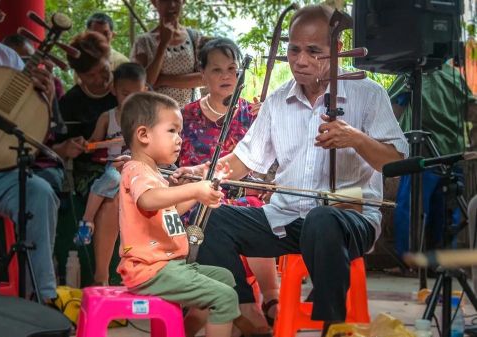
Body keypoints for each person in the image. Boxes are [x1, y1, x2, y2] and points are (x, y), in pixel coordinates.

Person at [172, 5, 409, 335]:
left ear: (338, 51)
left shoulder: (368, 94)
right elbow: (242, 160)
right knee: (214, 217)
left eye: (314, 51)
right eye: (294, 49)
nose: (300, 60)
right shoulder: (278, 100)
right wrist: (198, 172)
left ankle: (332, 323)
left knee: (322, 218)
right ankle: (246, 309)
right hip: (286, 219)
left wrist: (354, 138)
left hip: (348, 219)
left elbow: (394, 161)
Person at [0, 0, 84, 300]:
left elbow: (33, 127)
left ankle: (41, 299)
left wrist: (46, 97)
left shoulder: (9, 58)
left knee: (38, 192)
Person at [118, 91, 239, 337]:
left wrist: (200, 190)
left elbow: (169, 211)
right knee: (225, 297)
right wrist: (194, 188)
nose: (179, 139)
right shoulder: (137, 170)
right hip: (151, 270)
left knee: (225, 277)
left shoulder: (153, 173)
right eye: (172, 131)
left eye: (180, 132)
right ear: (143, 135)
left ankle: (182, 331)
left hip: (170, 266)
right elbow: (148, 200)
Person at [179, 37, 278, 329]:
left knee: (252, 210)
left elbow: (269, 165)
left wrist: (271, 121)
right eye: (216, 70)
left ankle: (271, 296)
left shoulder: (253, 113)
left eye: (232, 69)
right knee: (208, 215)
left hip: (242, 197)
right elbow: (174, 162)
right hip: (198, 200)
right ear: (203, 75)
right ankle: (226, 306)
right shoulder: (185, 115)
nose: (226, 76)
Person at [388, 61, 475, 261]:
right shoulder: (454, 77)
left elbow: (392, 112)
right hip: (452, 156)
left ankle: (407, 262)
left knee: (410, 209)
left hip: (423, 155)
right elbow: (472, 110)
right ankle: (440, 264)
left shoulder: (410, 74)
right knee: (446, 212)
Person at [75, 62, 147, 285]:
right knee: (110, 180)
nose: (130, 99)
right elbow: (95, 142)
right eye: (125, 93)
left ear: (144, 91)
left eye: (136, 93)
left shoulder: (146, 117)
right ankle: (87, 222)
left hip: (137, 168)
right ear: (114, 90)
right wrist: (87, 145)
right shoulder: (108, 117)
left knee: (119, 180)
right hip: (114, 166)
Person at [59, 31, 120, 285]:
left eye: (102, 71)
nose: (99, 80)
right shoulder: (70, 102)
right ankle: (101, 280)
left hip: (127, 161)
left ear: (109, 60)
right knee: (110, 194)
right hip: (89, 169)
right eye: (89, 76)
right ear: (78, 76)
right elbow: (55, 146)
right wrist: (68, 147)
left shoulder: (123, 89)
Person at [131, 0, 203, 107]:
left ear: (183, 2)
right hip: (156, 113)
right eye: (165, 1)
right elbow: (143, 84)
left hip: (191, 114)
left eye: (176, 1)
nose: (172, 5)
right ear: (154, 3)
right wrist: (163, 44)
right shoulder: (144, 42)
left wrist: (162, 80)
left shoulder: (195, 38)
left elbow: (204, 78)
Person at [72, 12, 129, 86]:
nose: (100, 38)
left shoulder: (123, 62)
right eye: (95, 33)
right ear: (87, 34)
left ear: (113, 35)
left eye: (105, 34)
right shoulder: (81, 60)